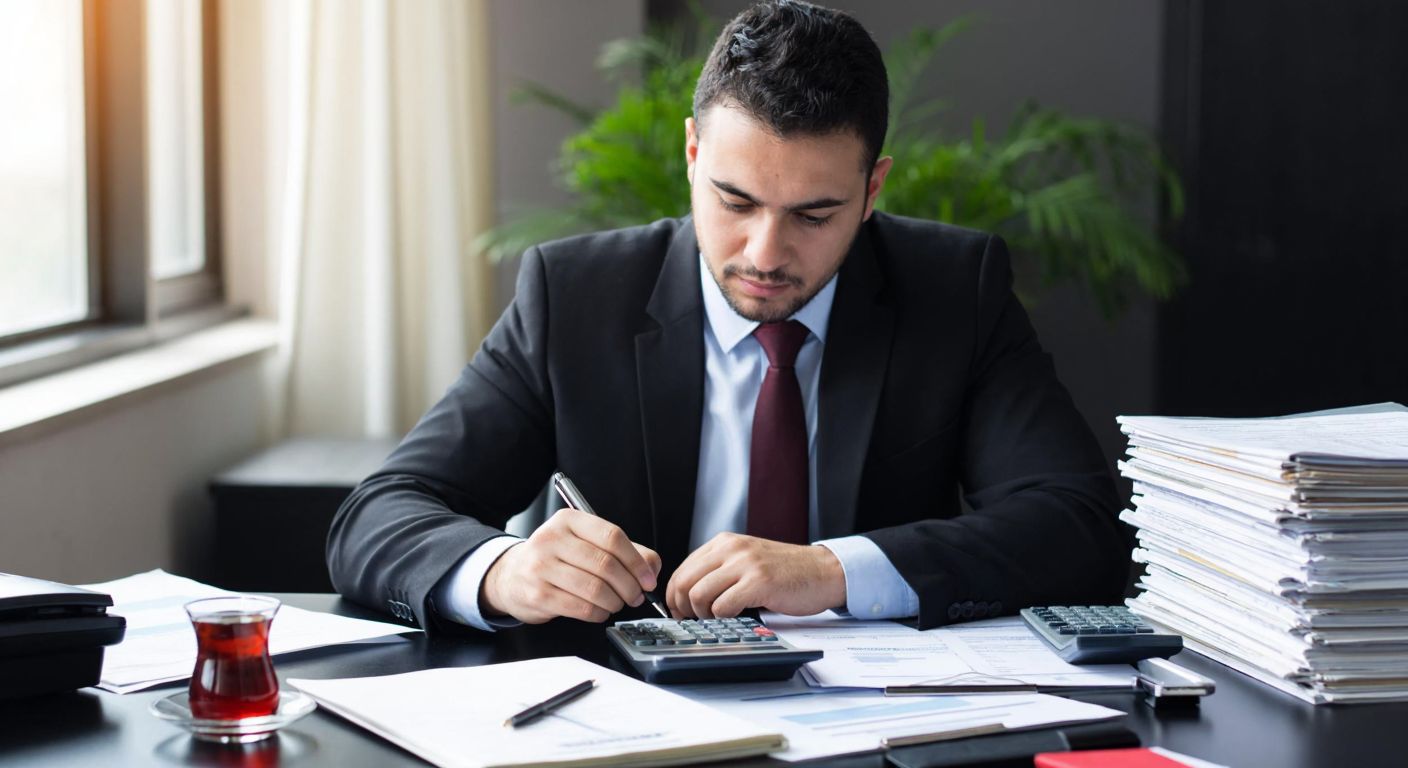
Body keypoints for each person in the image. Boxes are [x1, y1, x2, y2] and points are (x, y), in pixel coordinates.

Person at [327, 0, 1127, 634]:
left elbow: (1081, 524)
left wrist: (833, 571)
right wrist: (503, 571)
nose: (766, 251)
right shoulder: (574, 294)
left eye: (815, 215)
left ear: (873, 190)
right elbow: (379, 515)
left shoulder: (954, 289)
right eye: (735, 201)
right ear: (691, 155)